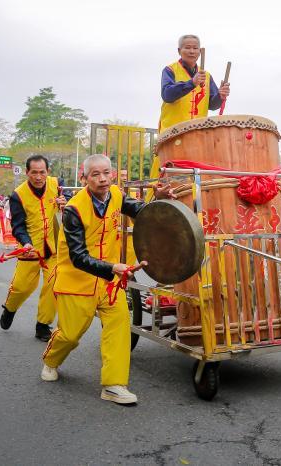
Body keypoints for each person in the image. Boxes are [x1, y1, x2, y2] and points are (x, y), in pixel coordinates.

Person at [40, 154, 175, 405]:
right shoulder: (73, 210)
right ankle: (50, 360)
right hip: (76, 281)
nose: (102, 179)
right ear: (84, 178)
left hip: (110, 282)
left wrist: (158, 200)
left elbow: (140, 211)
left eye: (106, 173)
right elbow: (78, 257)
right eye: (95, 175)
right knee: (70, 335)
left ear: (112, 174)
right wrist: (113, 267)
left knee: (119, 325)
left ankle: (113, 385)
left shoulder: (116, 194)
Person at [0, 155, 66, 341]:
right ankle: (10, 308)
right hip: (29, 248)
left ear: (48, 172)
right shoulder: (18, 195)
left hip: (52, 249)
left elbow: (70, 200)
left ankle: (43, 325)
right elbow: (18, 225)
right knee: (22, 287)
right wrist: (26, 242)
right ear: (27, 172)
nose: (38, 177)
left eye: (42, 172)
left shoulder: (56, 184)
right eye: (34, 173)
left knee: (53, 285)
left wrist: (65, 201)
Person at [159, 34, 230, 133]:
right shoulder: (170, 70)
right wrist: (192, 83)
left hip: (197, 132)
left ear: (200, 52)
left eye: (195, 48)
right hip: (172, 132)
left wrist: (220, 96)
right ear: (179, 51)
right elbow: (167, 95)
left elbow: (213, 105)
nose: (192, 51)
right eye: (187, 48)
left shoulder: (207, 76)